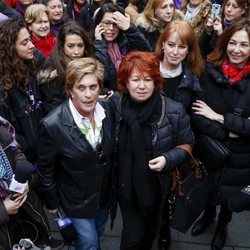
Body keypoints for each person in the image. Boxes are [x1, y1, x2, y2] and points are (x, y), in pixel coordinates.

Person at [112, 51, 193, 250]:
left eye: (148, 79)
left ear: (156, 81)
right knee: (132, 238)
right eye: (135, 79)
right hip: (126, 185)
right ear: (125, 82)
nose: (142, 86)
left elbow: (188, 144)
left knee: (150, 233)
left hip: (158, 185)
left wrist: (168, 158)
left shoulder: (173, 110)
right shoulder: (114, 105)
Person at [37, 57, 115, 250]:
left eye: (93, 87)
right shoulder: (52, 124)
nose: (88, 94)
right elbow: (46, 170)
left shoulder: (108, 109)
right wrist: (53, 203)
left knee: (96, 235)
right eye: (81, 88)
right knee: (89, 243)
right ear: (70, 89)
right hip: (75, 201)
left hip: (103, 196)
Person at [191, 19, 250, 250]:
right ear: (224, 43)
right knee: (208, 188)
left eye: (244, 45)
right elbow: (198, 114)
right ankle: (207, 216)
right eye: (232, 43)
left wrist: (220, 118)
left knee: (228, 198)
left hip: (241, 158)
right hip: (211, 148)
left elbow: (211, 116)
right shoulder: (209, 71)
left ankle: (222, 226)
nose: (237, 50)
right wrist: (232, 131)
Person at [0, 116, 62, 250]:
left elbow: (16, 151)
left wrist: (23, 181)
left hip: (19, 199)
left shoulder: (2, 124)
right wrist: (3, 210)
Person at [0, 18, 45, 164]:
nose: (32, 46)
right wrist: (27, 145)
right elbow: (6, 133)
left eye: (30, 40)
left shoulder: (30, 69)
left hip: (41, 154)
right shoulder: (3, 89)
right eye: (24, 43)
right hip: (23, 161)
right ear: (10, 48)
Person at [38, 21, 94, 114]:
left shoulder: (87, 63)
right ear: (62, 46)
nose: (76, 51)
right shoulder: (53, 73)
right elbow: (55, 110)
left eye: (80, 46)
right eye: (71, 46)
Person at [94, 3, 151, 91]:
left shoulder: (125, 40)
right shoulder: (92, 46)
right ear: (98, 24)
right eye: (106, 23)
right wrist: (100, 44)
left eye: (115, 24)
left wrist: (129, 28)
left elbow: (146, 52)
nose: (111, 28)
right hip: (111, 97)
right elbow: (103, 77)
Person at [155, 20, 203, 111]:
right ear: (163, 44)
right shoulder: (147, 69)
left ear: (188, 49)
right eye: (171, 45)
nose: (175, 52)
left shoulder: (192, 76)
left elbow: (195, 113)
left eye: (182, 47)